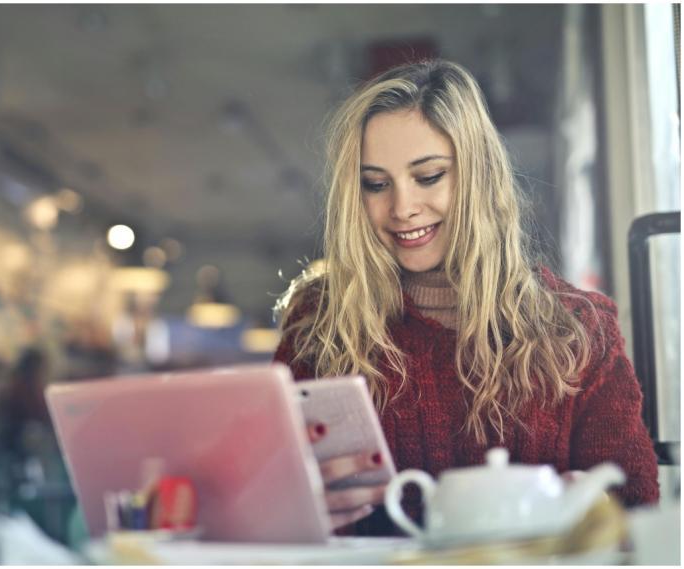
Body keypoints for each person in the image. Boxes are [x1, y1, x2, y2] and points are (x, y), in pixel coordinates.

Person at [273, 59, 659, 536]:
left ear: (478, 176)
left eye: (429, 176)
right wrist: (293, 504)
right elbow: (265, 497)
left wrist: (595, 506)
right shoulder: (318, 321)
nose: (402, 208)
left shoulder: (580, 327)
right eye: (376, 184)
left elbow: (637, 500)